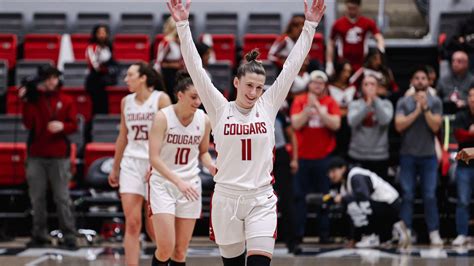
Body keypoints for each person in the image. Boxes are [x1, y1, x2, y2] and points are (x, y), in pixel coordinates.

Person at [166, 0, 326, 265]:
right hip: (226, 200)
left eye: (259, 87)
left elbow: (292, 66)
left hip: (261, 199)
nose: (253, 93)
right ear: (237, 82)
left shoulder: (268, 104)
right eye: (249, 86)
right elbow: (195, 67)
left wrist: (310, 25)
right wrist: (182, 25)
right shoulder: (219, 108)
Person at [108, 62, 171, 265]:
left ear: (143, 77)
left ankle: (166, 260)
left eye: (130, 75)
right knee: (133, 224)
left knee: (154, 226)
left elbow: (171, 136)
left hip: (156, 164)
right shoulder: (126, 101)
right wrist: (115, 167)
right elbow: (122, 136)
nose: (126, 79)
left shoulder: (161, 99)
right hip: (131, 163)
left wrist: (158, 165)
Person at [149, 72, 215, 266]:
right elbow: (153, 158)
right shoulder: (163, 118)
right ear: (180, 95)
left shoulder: (204, 120)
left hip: (190, 187)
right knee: (166, 248)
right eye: (194, 97)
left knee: (180, 251)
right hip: (163, 184)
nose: (198, 102)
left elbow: (203, 152)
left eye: (201, 97)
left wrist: (211, 166)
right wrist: (177, 181)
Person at [19, 66, 78, 248]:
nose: (51, 82)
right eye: (48, 78)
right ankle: (39, 234)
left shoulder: (66, 99)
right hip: (36, 153)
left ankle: (69, 235)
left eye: (54, 78)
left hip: (59, 154)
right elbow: (28, 123)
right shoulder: (34, 100)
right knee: (37, 197)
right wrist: (26, 101)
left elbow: (74, 125)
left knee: (62, 197)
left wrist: (63, 126)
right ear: (42, 80)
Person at [290, 70, 341, 249]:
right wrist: (308, 109)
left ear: (325, 85)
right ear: (309, 84)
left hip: (323, 158)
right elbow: (295, 123)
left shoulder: (330, 102)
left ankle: (324, 234)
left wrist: (319, 109)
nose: (317, 85)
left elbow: (336, 124)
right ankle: (298, 235)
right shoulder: (300, 100)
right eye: (314, 82)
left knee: (325, 198)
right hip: (303, 157)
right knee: (299, 198)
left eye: (321, 83)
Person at [395, 66, 443, 246]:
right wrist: (416, 110)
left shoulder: (436, 101)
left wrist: (425, 109)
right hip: (408, 155)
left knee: (430, 195)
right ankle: (405, 232)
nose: (420, 81)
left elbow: (435, 127)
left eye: (424, 78)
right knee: (407, 194)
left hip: (428, 156)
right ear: (412, 82)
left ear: (429, 82)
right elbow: (399, 126)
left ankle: (434, 232)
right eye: (417, 78)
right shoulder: (403, 102)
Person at [328, 157, 409, 248]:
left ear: (343, 168)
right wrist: (354, 238)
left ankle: (371, 235)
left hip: (390, 205)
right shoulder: (344, 185)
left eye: (333, 171)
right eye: (329, 172)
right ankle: (386, 234)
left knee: (355, 205)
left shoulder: (355, 175)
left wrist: (343, 198)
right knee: (349, 206)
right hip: (381, 207)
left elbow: (362, 197)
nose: (331, 175)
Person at [347, 75, 393, 180]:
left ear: (378, 87)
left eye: (372, 84)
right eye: (366, 84)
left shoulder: (386, 104)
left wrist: (375, 101)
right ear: (361, 87)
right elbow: (352, 122)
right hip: (357, 155)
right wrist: (366, 106)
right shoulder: (354, 104)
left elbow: (384, 120)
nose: (369, 87)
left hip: (379, 156)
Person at [326, 0, 385, 75]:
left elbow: (378, 37)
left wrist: (381, 48)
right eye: (349, 8)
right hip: (343, 63)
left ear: (359, 8)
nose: (352, 11)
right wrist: (329, 63)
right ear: (346, 7)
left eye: (354, 8)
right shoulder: (338, 24)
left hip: (361, 63)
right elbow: (331, 43)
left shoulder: (367, 23)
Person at [273, 105, 298, 253]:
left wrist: (294, 158)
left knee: (287, 199)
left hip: (280, 155)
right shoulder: (250, 112)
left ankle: (292, 241)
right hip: (260, 155)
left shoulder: (279, 114)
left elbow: (291, 135)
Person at [452, 86, 474, 246]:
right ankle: (462, 233)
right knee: (463, 201)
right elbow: (460, 136)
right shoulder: (461, 116)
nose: (473, 99)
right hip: (465, 165)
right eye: (471, 95)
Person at [85, 24, 116, 115]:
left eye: (104, 33)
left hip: (105, 82)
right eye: (99, 33)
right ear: (95, 34)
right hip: (95, 81)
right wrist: (108, 69)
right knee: (96, 107)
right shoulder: (91, 47)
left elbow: (112, 63)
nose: (102, 35)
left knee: (105, 107)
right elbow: (95, 66)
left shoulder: (108, 47)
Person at [329, 60, 356, 157]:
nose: (347, 74)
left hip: (348, 124)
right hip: (334, 123)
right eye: (344, 71)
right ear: (338, 71)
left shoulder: (352, 88)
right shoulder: (329, 87)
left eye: (349, 71)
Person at [154, 16, 185, 102]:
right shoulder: (166, 42)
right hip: (167, 75)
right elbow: (158, 62)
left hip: (177, 74)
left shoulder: (178, 42)